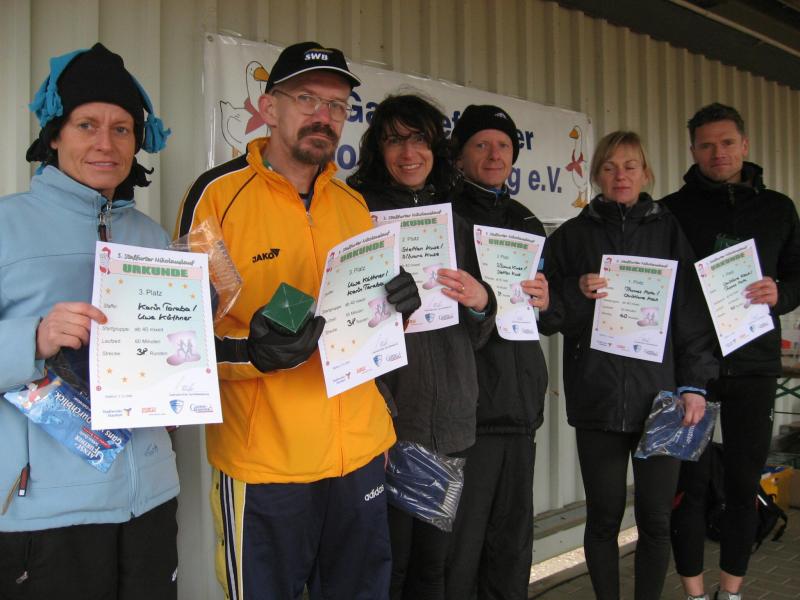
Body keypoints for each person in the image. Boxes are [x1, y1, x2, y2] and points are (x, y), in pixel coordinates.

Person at [176, 42, 419, 600]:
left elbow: (364, 331)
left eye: (336, 106)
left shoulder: (353, 206)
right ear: (269, 107)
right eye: (307, 98)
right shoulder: (217, 198)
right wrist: (253, 353)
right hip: (267, 464)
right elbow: (180, 337)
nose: (323, 116)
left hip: (359, 454)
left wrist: (396, 313)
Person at [0, 43, 179, 599]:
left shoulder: (152, 238)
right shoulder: (6, 225)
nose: (106, 143)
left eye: (122, 129)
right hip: (46, 511)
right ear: (55, 135)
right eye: (87, 125)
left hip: (150, 499)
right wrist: (32, 338)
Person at [545, 131, 718, 600]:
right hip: (597, 398)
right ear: (596, 175)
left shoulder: (669, 232)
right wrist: (576, 292)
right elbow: (545, 314)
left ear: (646, 174)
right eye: (609, 167)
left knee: (656, 520)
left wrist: (694, 385)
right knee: (603, 519)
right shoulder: (571, 237)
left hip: (660, 401)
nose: (620, 176)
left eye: (630, 166)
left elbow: (690, 315)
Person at [347, 94, 496, 600]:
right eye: (395, 140)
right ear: (378, 149)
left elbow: (477, 333)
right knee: (387, 565)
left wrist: (481, 302)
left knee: (434, 566)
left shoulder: (455, 221)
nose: (409, 153)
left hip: (451, 417)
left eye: (419, 140)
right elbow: (344, 323)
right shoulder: (357, 216)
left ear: (436, 148)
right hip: (389, 419)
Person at [664, 103, 800, 600]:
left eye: (726, 143)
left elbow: (797, 275)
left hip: (753, 364)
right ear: (693, 150)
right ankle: (694, 593)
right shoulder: (672, 209)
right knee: (691, 487)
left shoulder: (778, 208)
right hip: (691, 371)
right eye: (706, 145)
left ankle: (732, 591)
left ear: (744, 145)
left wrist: (780, 293)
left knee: (743, 485)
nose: (717, 153)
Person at [445, 104, 554, 600]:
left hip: (520, 406)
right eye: (481, 144)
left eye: (504, 145)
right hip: (470, 412)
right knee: (461, 551)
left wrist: (549, 300)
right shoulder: (444, 216)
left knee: (511, 548)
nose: (494, 155)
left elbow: (546, 313)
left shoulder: (526, 220)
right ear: (459, 155)